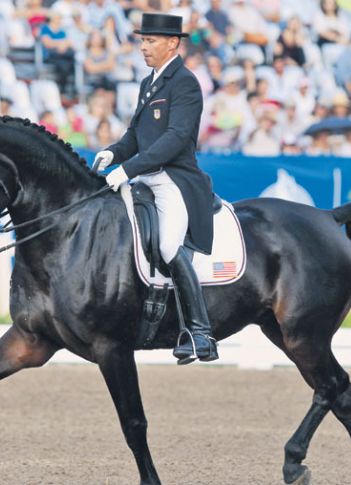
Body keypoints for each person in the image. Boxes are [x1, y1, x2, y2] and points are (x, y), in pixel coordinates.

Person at [92, 13, 218, 364]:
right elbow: (135, 135)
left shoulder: (185, 83)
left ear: (172, 43)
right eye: (142, 40)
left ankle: (200, 332)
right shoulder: (149, 81)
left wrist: (127, 169)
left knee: (167, 245)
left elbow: (177, 139)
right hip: (145, 175)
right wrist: (113, 152)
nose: (143, 47)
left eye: (150, 41)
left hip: (173, 179)